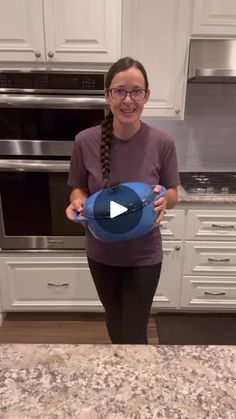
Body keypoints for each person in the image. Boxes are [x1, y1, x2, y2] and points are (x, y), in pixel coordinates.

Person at [66, 57, 180, 344]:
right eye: (119, 91)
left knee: (133, 330)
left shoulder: (163, 142)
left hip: (144, 256)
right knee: (115, 323)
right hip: (101, 254)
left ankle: (138, 384)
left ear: (147, 95)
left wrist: (164, 199)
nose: (128, 100)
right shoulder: (85, 141)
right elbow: (78, 188)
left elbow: (174, 194)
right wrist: (78, 202)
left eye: (136, 91)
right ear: (107, 95)